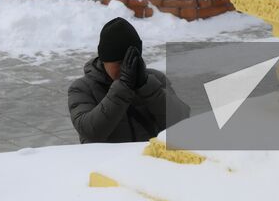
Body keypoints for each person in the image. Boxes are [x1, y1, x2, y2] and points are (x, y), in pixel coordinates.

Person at [68, 16, 190, 144]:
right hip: (107, 163)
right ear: (104, 60)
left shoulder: (156, 79)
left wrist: (147, 87)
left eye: (132, 61)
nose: (127, 68)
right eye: (120, 63)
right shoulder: (81, 89)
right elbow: (91, 132)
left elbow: (181, 121)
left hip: (151, 160)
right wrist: (122, 87)